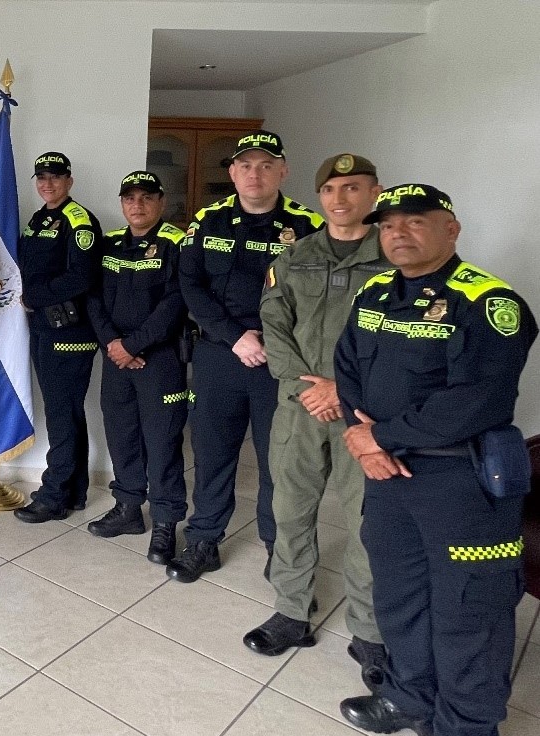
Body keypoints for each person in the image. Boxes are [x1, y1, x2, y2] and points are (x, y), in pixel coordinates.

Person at [335, 184, 537, 736]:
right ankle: (410, 699)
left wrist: (382, 439)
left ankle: (467, 726)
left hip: (460, 478)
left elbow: (478, 397)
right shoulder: (375, 293)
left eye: (415, 221)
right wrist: (362, 438)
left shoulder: (490, 302)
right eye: (388, 224)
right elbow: (347, 367)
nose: (398, 232)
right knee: (401, 595)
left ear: (451, 229)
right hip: (388, 476)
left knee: (468, 610)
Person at [245, 155, 388, 689]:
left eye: (352, 188)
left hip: (364, 414)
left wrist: (342, 391)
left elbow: (396, 341)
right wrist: (310, 387)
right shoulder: (295, 256)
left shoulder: (392, 260)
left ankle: (370, 632)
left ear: (374, 193)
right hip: (299, 405)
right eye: (330, 188)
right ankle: (290, 610)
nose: (340, 199)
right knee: (290, 507)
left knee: (365, 520)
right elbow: (274, 323)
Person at [169, 130, 324, 583]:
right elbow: (190, 285)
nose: (254, 174)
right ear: (233, 172)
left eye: (265, 165)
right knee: (212, 453)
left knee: (281, 462)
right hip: (220, 354)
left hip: (282, 363)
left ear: (282, 171)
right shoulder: (208, 220)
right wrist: (235, 336)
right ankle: (203, 539)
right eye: (245, 165)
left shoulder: (308, 226)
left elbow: (316, 301)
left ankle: (282, 550)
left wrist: (274, 343)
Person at [84, 171, 189, 564]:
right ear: (122, 203)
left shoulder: (176, 243)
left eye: (146, 198)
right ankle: (129, 508)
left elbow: (175, 302)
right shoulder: (110, 243)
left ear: (161, 202)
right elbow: (93, 298)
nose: (137, 205)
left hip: (159, 359)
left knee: (162, 441)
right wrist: (113, 344)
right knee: (121, 433)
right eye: (130, 198)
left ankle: (165, 522)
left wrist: (132, 344)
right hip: (115, 358)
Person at [13, 152, 105, 524]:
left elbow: (81, 277)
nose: (46, 184)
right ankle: (75, 489)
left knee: (61, 415)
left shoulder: (78, 220)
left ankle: (53, 495)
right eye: (41, 178)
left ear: (69, 180)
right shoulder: (41, 219)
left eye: (54, 177)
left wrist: (33, 298)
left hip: (69, 333)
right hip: (44, 329)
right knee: (67, 413)